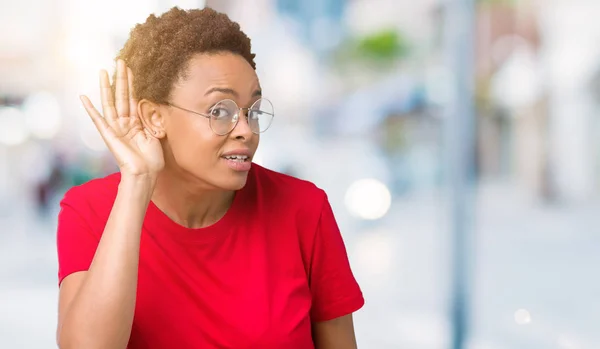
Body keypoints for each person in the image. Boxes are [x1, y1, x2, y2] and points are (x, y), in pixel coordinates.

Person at [55, 7, 364, 349]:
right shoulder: (89, 211)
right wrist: (137, 181)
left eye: (253, 111)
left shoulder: (303, 208)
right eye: (220, 111)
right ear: (155, 117)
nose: (246, 131)